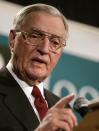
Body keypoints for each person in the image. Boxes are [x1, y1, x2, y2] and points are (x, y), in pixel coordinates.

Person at [0, 3, 77, 131]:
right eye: (35, 36)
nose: (44, 49)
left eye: (55, 42)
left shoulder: (62, 108)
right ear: (12, 39)